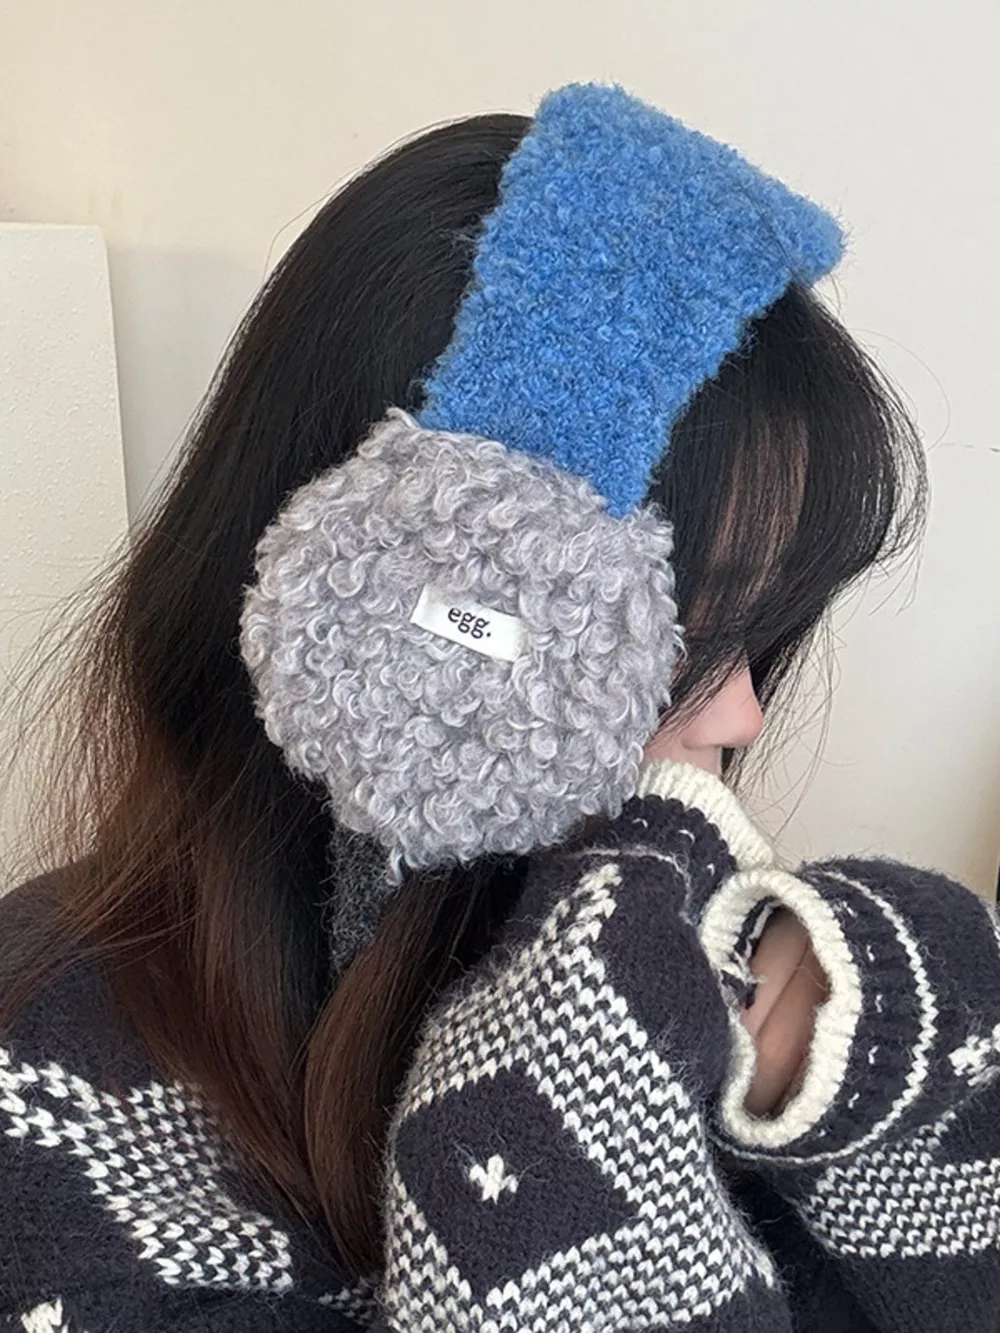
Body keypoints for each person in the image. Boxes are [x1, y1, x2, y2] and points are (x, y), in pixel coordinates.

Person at [2, 81, 997, 1333]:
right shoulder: (54, 1124)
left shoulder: (714, 968)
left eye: (762, 632)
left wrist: (874, 1059)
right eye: (688, 630)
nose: (742, 715)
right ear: (402, 616)